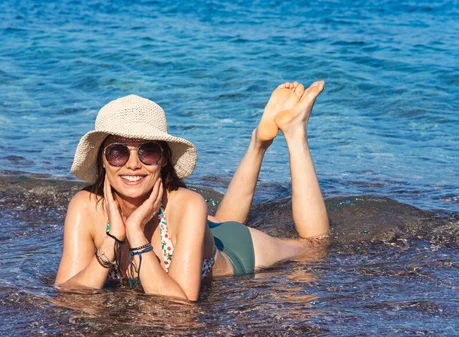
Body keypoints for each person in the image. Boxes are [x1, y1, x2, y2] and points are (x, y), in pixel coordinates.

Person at [55, 81, 329, 301]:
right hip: (202, 229)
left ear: (163, 159)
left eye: (148, 152)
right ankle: (258, 143)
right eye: (117, 153)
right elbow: (69, 292)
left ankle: (295, 133)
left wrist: (136, 231)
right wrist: (112, 239)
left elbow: (181, 302)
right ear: (102, 159)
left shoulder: (188, 205)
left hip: (236, 248)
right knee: (219, 222)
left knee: (314, 246)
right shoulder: (85, 206)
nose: (133, 164)